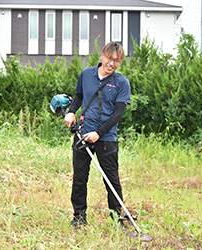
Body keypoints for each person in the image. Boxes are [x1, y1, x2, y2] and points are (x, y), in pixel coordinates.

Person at [64, 42, 131, 228]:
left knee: (112, 180)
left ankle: (118, 220)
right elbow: (78, 96)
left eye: (117, 61)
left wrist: (99, 133)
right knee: (79, 178)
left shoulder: (121, 83)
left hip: (106, 138)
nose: (112, 63)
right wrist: (71, 112)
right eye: (109, 58)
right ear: (102, 56)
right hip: (82, 134)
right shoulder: (86, 74)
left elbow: (118, 114)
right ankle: (79, 217)